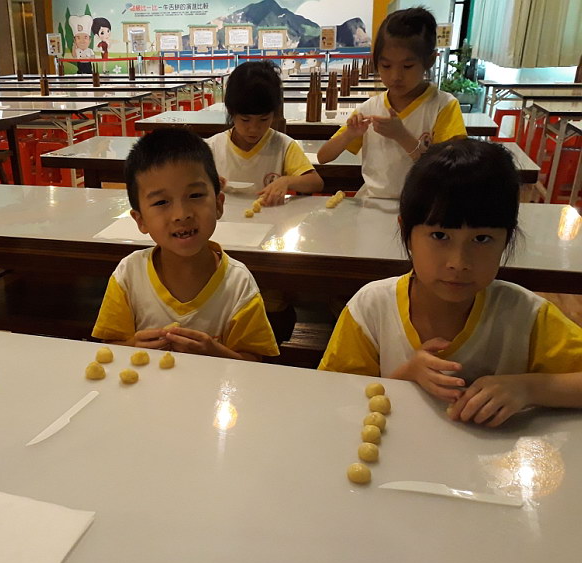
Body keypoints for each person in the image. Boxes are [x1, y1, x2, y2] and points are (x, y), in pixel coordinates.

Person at [318, 139, 582, 427]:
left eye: (482, 239)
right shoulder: (371, 309)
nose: (459, 262)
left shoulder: (526, 317)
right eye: (440, 236)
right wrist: (405, 376)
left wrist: (529, 388)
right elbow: (332, 399)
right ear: (407, 233)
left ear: (507, 239)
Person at [92, 129, 279, 361]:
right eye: (161, 202)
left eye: (195, 195)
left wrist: (214, 352)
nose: (181, 214)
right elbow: (109, 348)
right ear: (140, 220)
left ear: (219, 204)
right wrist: (132, 347)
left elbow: (256, 363)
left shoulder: (238, 283)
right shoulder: (128, 275)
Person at [317, 7, 466, 199]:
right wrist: (349, 134)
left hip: (422, 206)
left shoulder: (443, 106)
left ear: (429, 61)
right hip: (372, 203)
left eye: (407, 66)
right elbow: (323, 157)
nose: (395, 76)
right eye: (386, 66)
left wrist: (401, 135)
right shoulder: (370, 108)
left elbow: (450, 173)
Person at [207, 60, 323, 206]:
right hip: (224, 218)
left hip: (269, 217)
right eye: (245, 120)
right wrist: (204, 182)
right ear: (231, 112)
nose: (254, 128)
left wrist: (287, 181)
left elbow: (316, 183)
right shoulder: (212, 147)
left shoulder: (283, 146)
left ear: (274, 113)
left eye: (264, 119)